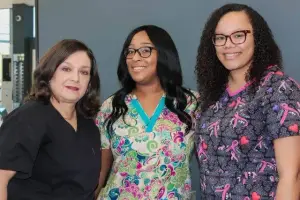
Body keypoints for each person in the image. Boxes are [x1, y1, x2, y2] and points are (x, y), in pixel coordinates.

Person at [195, 3, 300, 199]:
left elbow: (291, 176)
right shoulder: (213, 95)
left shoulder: (278, 89)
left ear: (257, 38)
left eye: (238, 35)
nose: (228, 44)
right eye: (220, 38)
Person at [95, 25, 199, 199]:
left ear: (163, 54)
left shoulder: (191, 104)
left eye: (145, 50)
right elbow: (99, 173)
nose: (135, 57)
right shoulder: (111, 107)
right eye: (130, 51)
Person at [0, 39, 101, 200]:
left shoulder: (88, 125)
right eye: (66, 69)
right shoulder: (28, 118)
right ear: (49, 73)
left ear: (89, 83)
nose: (75, 78)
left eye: (84, 72)